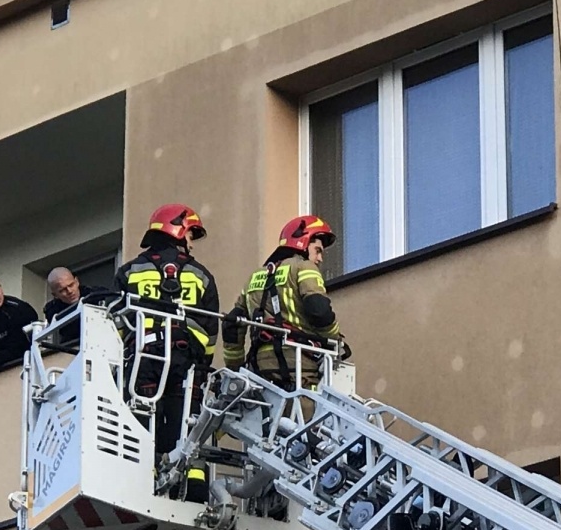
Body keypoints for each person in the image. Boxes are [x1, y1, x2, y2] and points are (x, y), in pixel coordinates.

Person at [115, 204, 220, 493]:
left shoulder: (129, 271)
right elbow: (210, 328)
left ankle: (141, 481)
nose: (191, 242)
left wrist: (129, 351)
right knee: (186, 421)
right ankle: (192, 487)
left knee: (142, 417)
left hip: (143, 359)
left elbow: (119, 322)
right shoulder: (201, 275)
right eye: (191, 235)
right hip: (187, 362)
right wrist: (203, 364)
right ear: (179, 230)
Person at [222, 215, 347, 388]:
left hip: (259, 369)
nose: (320, 259)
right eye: (318, 250)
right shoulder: (304, 267)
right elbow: (319, 311)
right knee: (309, 413)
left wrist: (234, 368)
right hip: (298, 365)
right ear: (303, 242)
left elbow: (232, 324)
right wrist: (336, 340)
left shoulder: (254, 277)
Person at [42, 266, 110, 349]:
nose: (69, 291)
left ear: (77, 281)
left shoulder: (97, 294)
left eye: (71, 285)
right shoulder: (52, 311)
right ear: (55, 295)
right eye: (62, 290)